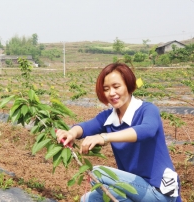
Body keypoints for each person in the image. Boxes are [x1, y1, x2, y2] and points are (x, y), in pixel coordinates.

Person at [56, 63, 181, 202]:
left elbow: (147, 130)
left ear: (128, 85)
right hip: (134, 189)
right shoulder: (110, 117)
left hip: (159, 191)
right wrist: (72, 133)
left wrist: (104, 137)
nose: (111, 93)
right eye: (106, 89)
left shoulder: (147, 110)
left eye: (116, 87)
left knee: (97, 173)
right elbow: (86, 127)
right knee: (87, 199)